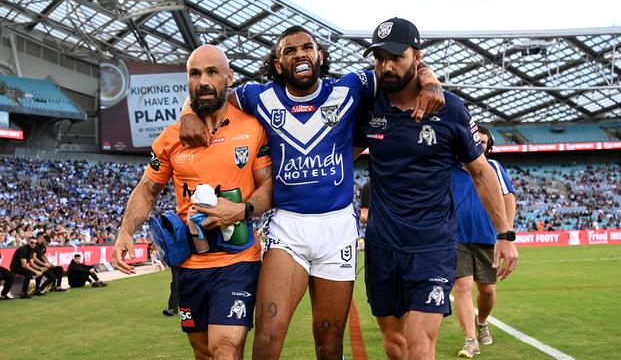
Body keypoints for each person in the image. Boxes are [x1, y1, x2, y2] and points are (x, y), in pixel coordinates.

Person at [179, 25, 445, 360]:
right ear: (278, 64)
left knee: (329, 344)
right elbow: (210, 90)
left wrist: (431, 80)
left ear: (319, 55)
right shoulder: (257, 96)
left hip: (337, 230)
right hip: (288, 227)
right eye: (289, 51)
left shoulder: (351, 87)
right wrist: (188, 111)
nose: (299, 54)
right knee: (268, 334)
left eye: (307, 47)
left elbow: (400, 66)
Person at [355, 18, 519, 360]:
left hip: (432, 245)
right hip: (382, 244)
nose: (386, 65)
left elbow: (481, 172)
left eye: (396, 57)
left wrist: (505, 234)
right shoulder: (369, 105)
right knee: (395, 345)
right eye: (379, 57)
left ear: (417, 56)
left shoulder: (451, 110)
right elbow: (344, 154)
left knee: (419, 345)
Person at [112, 45, 273, 360]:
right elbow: (147, 189)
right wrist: (125, 231)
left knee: (225, 348)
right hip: (188, 265)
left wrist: (241, 210)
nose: (204, 81)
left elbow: (268, 185)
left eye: (212, 72)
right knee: (202, 351)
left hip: (237, 261)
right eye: (195, 73)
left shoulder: (253, 128)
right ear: (187, 81)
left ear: (229, 76)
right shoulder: (171, 137)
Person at [451, 126, 517, 358]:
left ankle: (482, 322)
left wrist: (507, 234)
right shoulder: (448, 168)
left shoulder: (494, 168)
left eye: (482, 142)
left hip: (488, 239)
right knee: (462, 287)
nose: (477, 145)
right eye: (474, 140)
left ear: (489, 147)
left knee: (487, 290)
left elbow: (509, 199)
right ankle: (470, 340)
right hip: (456, 238)